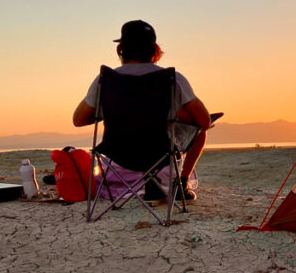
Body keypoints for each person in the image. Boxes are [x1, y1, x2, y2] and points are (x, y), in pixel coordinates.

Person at [73, 20, 212, 200]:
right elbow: (204, 121)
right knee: (200, 132)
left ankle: (153, 184)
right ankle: (180, 184)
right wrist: (173, 113)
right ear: (154, 49)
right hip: (159, 154)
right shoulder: (171, 79)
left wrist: (114, 109)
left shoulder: (106, 80)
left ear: (121, 49)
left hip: (117, 154)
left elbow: (78, 120)